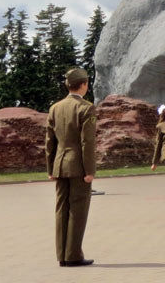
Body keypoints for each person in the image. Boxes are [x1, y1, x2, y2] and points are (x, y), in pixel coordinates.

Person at [45, 68, 96, 267]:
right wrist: (90, 170)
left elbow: (49, 142)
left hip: (59, 164)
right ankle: (73, 254)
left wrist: (50, 169)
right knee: (78, 210)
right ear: (83, 85)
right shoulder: (86, 108)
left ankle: (62, 255)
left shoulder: (55, 108)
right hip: (78, 166)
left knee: (61, 210)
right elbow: (87, 142)